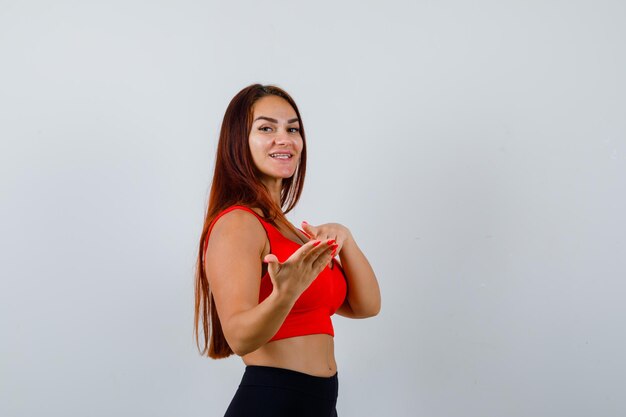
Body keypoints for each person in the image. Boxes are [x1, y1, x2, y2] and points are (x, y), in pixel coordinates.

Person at [194, 84, 381, 417]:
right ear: (239, 141)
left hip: (320, 403)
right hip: (271, 403)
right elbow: (239, 337)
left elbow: (366, 306)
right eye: (266, 128)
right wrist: (286, 293)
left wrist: (347, 241)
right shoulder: (238, 224)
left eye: (292, 129)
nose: (285, 139)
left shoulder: (292, 233)